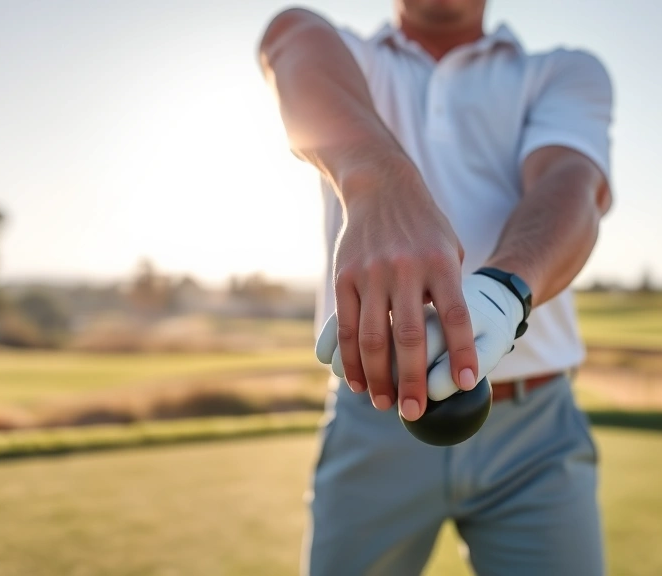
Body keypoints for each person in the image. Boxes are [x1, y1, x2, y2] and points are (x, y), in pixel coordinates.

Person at [257, 1, 614, 574]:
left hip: (535, 432)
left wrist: (502, 290)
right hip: (371, 413)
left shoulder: (560, 71)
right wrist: (379, 181)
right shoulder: (352, 55)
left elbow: (572, 185)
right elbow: (291, 37)